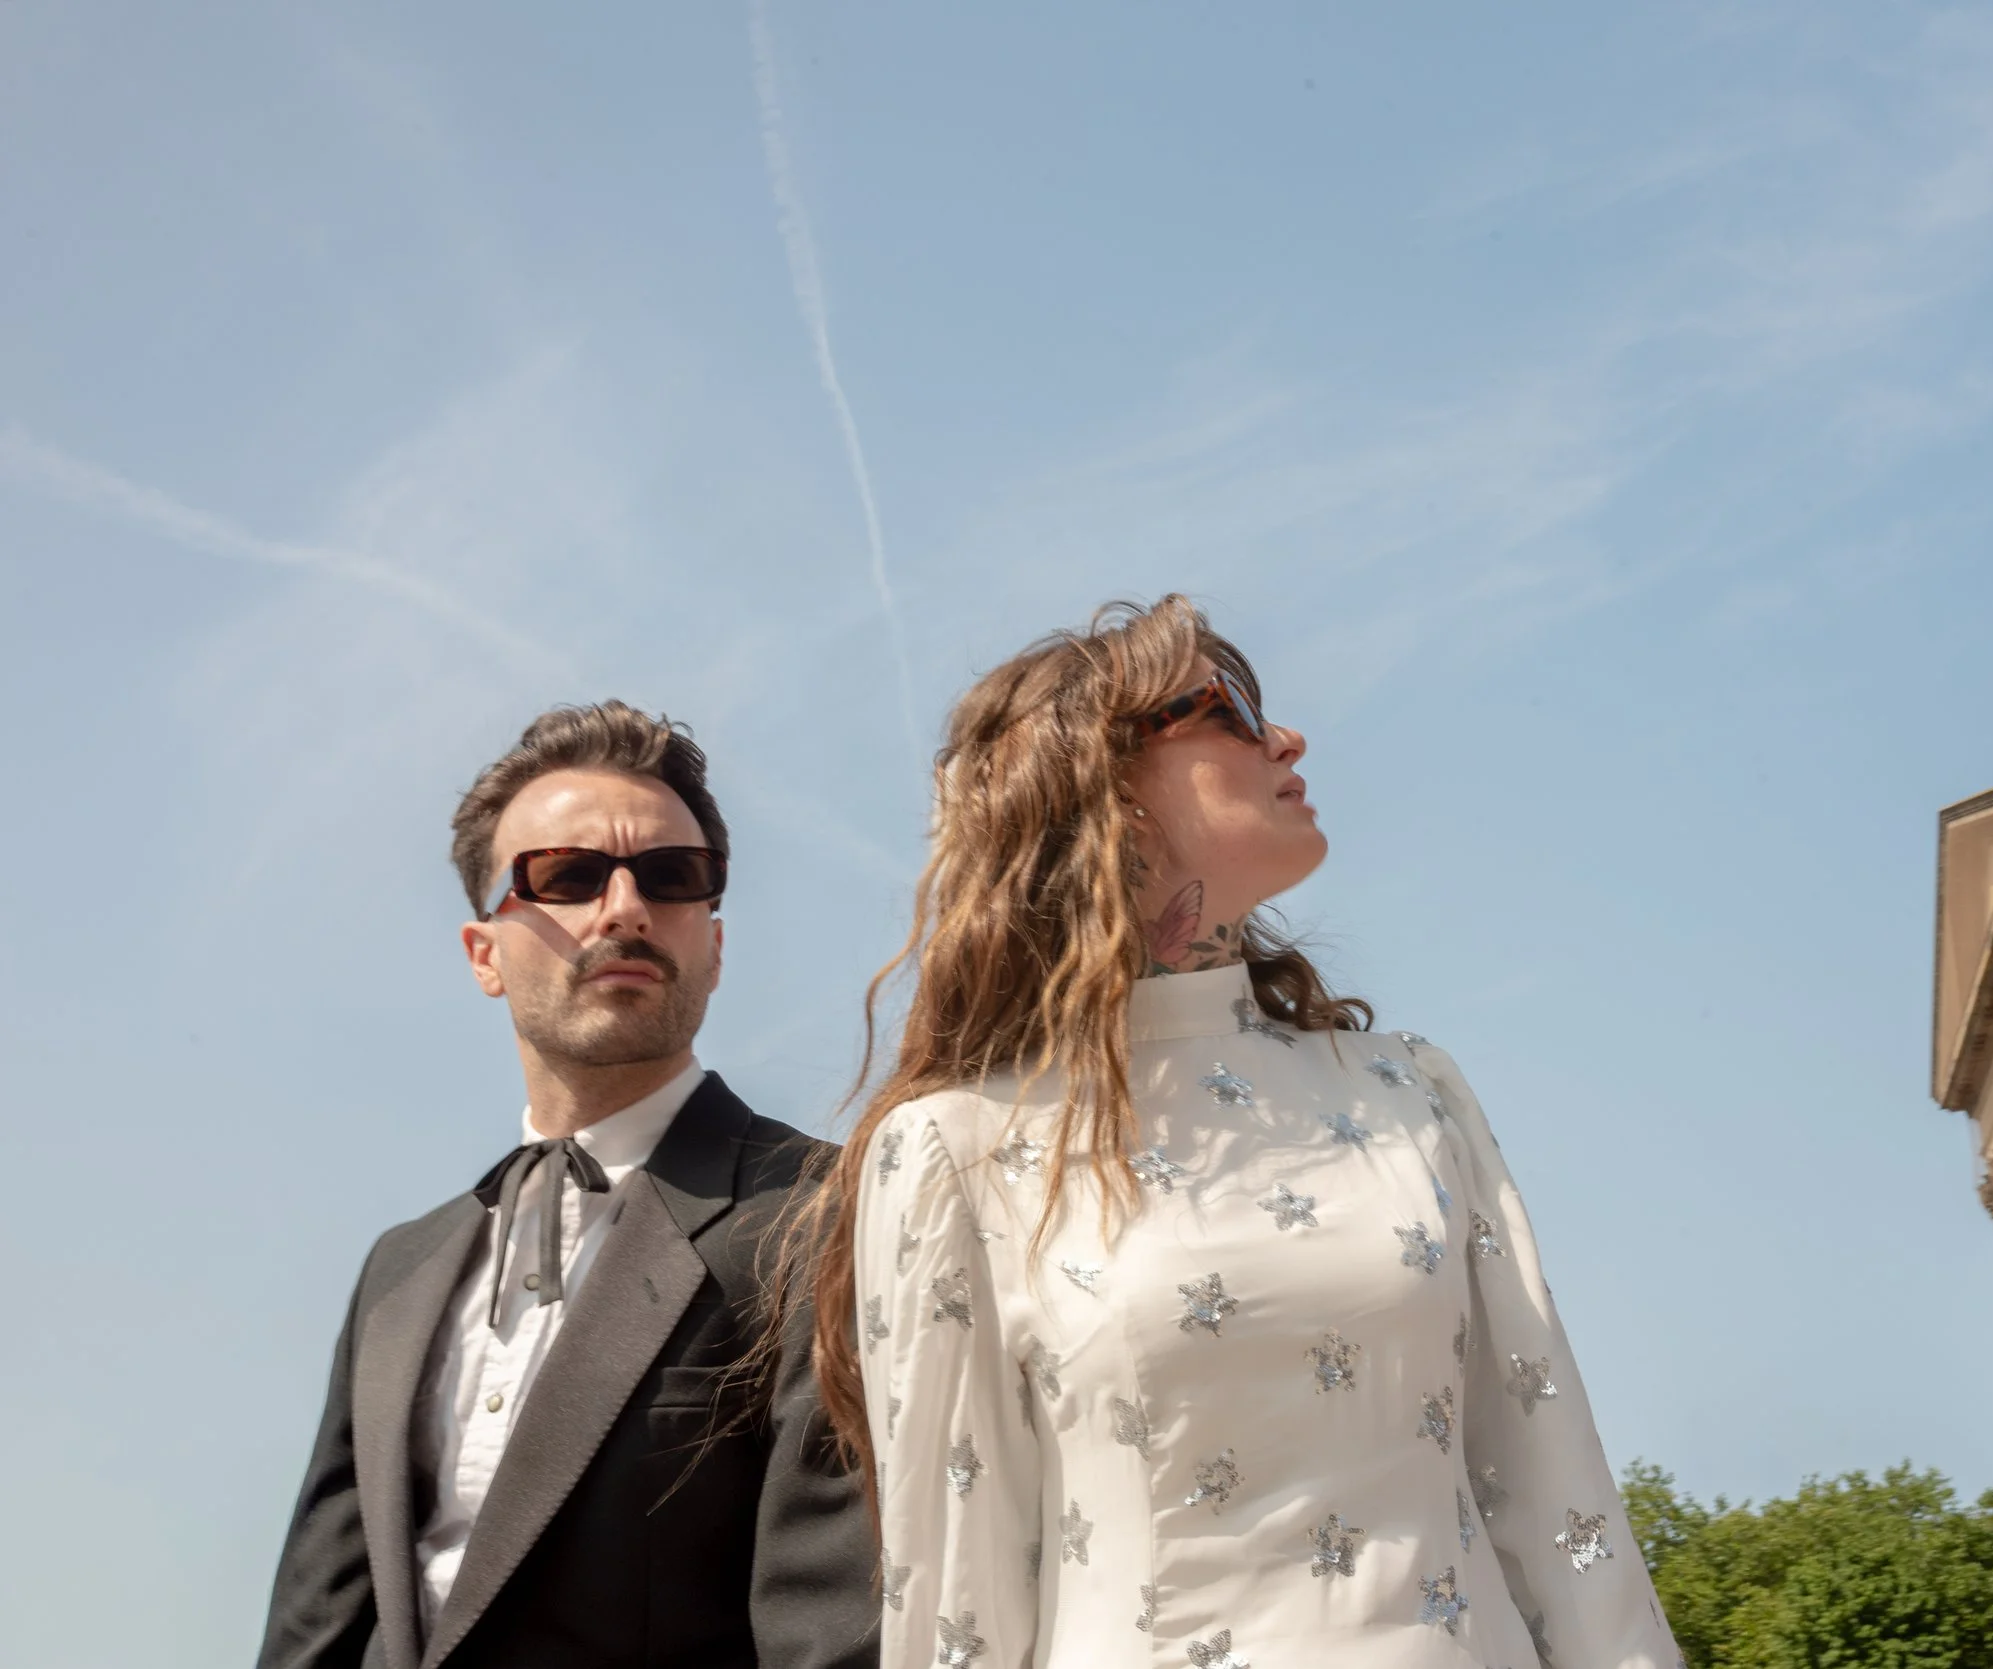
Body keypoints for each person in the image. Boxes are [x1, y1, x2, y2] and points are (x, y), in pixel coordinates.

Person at [791, 599, 1681, 1666]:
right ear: (1103, 784)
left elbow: (1556, 1494)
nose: (1287, 737)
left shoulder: (1413, 1092)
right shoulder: (954, 1153)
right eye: (1230, 707)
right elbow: (959, 1611)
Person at [258, 702, 880, 1669]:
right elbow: (318, 1620)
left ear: (714, 945)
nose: (624, 907)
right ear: (484, 954)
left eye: (670, 877)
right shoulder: (402, 1267)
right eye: (569, 876)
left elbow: (834, 1626)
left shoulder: (825, 1214)